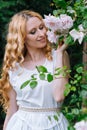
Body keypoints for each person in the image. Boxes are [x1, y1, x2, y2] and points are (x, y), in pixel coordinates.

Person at [0, 10, 70, 130]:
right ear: (22, 38)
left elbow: (59, 96)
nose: (42, 34)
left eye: (42, 27)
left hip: (54, 124)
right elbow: (11, 111)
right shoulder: (14, 68)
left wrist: (59, 53)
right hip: (21, 125)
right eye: (33, 32)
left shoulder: (59, 56)